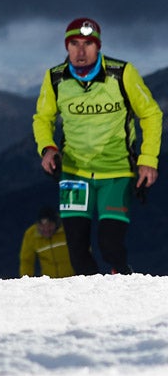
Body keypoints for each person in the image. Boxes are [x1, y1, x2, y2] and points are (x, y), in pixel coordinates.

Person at [33, 17, 161, 276]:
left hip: (116, 173)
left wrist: (148, 159)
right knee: (77, 251)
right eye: (75, 44)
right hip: (73, 173)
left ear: (99, 46)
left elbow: (151, 114)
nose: (81, 52)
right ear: (66, 46)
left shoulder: (121, 73)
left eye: (88, 44)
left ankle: (124, 288)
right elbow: (42, 118)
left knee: (110, 245)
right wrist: (47, 148)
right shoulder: (55, 77)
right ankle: (94, 304)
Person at [18, 206, 74, 278]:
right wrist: (26, 280)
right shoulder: (31, 235)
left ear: (57, 223)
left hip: (72, 281)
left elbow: (82, 251)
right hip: (49, 283)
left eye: (50, 225)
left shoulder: (68, 229)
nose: (46, 229)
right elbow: (27, 261)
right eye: (42, 225)